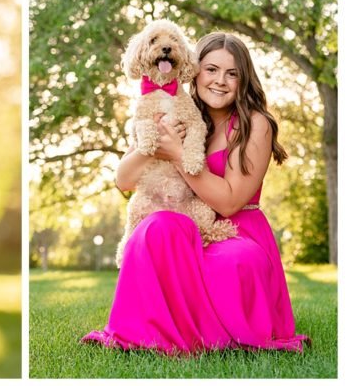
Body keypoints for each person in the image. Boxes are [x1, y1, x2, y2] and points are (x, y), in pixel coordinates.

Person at [82, 32, 309, 353]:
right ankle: (146, 334)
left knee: (229, 263)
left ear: (244, 81)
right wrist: (154, 147)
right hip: (185, 226)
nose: (220, 81)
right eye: (211, 69)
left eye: (232, 74)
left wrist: (177, 154)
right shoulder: (176, 111)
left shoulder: (255, 124)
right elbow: (124, 180)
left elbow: (230, 202)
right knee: (155, 227)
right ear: (193, 69)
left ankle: (206, 337)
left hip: (235, 232)